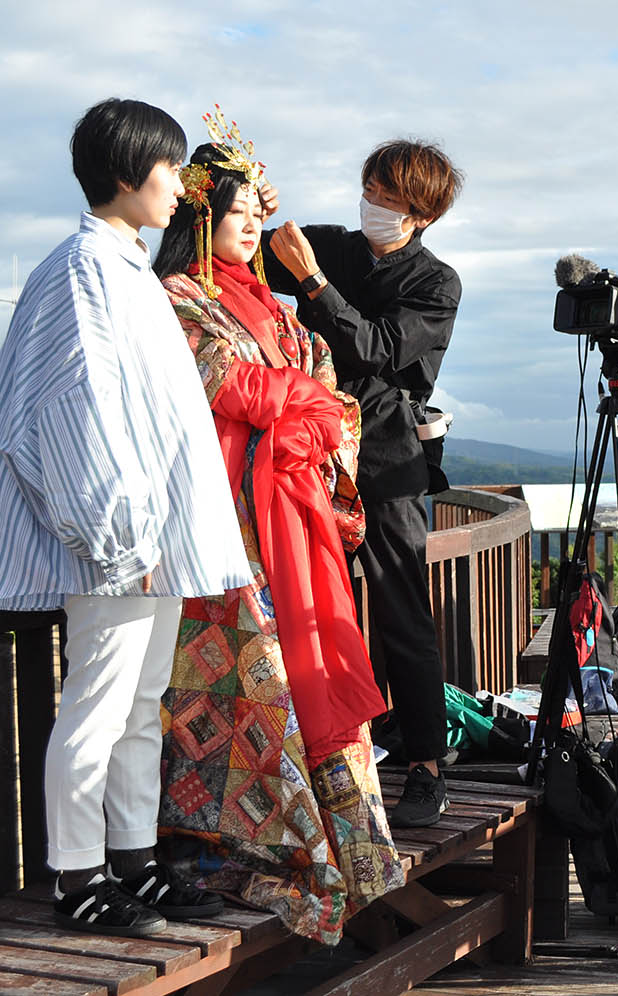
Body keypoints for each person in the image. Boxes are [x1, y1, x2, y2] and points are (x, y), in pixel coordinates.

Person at [0, 99, 252, 937]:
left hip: (151, 536)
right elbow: (71, 412)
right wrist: (114, 534)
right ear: (125, 172)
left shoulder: (124, 267)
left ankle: (134, 860)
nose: (181, 188)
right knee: (98, 707)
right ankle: (77, 875)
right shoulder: (81, 270)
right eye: (169, 170)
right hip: (119, 541)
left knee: (140, 703)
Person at [151, 128, 403, 944]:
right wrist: (304, 399)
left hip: (286, 518)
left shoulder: (266, 303)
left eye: (257, 210)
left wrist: (306, 402)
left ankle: (346, 850)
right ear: (199, 220)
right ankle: (241, 845)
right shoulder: (177, 298)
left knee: (309, 675)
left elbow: (323, 384)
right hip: (228, 524)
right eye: (234, 213)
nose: (251, 226)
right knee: (251, 683)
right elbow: (233, 385)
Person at [259, 140, 464, 828]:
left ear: (422, 214)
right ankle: (336, 755)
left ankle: (427, 765)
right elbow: (227, 255)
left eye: (389, 197)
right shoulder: (331, 245)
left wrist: (314, 284)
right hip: (311, 451)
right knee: (317, 604)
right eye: (370, 188)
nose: (373, 203)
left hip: (386, 458)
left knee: (402, 605)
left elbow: (375, 348)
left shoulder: (436, 283)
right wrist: (242, 207)